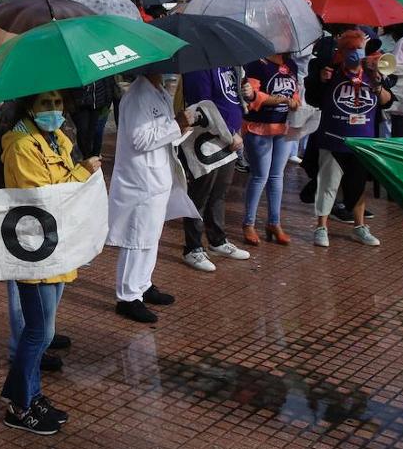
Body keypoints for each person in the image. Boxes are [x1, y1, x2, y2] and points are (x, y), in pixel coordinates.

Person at [0, 91, 100, 435]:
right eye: (46, 104)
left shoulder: (59, 139)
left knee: (44, 331)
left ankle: (30, 394)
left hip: (57, 244)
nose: (54, 110)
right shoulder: (20, 145)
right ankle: (19, 405)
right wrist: (83, 173)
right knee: (38, 331)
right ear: (29, 106)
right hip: (32, 246)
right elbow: (41, 197)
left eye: (57, 104)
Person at [108, 73, 198, 323]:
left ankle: (143, 284)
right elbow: (140, 139)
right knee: (136, 238)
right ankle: (127, 297)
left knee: (151, 235)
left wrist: (181, 128)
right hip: (140, 181)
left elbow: (162, 134)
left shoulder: (159, 92)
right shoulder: (137, 96)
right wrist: (175, 125)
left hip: (158, 178)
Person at [309, 30, 391, 247]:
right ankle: (321, 227)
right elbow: (313, 99)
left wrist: (377, 84)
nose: (355, 53)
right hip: (334, 138)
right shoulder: (331, 72)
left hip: (363, 140)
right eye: (350, 49)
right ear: (341, 52)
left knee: (358, 186)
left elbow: (387, 101)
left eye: (358, 48)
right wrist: (321, 81)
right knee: (328, 184)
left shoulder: (372, 72)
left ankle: (359, 227)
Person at [179, 66, 253, 272]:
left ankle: (217, 240)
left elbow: (234, 98)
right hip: (208, 143)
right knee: (200, 195)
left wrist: (248, 93)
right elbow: (201, 108)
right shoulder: (199, 67)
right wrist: (229, 133)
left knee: (219, 193)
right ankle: (193, 248)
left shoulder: (231, 65)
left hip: (229, 142)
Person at [240, 52, 301, 245]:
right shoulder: (256, 63)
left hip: (283, 127)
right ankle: (249, 223)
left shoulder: (291, 64)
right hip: (258, 127)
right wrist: (281, 100)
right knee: (260, 176)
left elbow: (296, 93)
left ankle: (274, 223)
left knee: (277, 176)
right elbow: (253, 97)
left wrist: (295, 103)